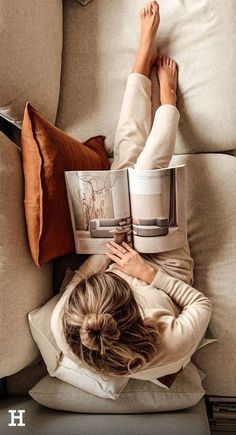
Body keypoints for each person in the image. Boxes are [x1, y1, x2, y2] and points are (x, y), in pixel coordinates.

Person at [51, 1, 213, 385]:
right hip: (165, 268)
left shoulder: (69, 323)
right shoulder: (169, 346)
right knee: (144, 175)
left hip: (114, 256)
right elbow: (198, 303)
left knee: (123, 163)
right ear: (133, 313)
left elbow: (76, 285)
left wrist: (104, 260)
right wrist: (146, 274)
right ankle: (168, 101)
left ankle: (142, 60)